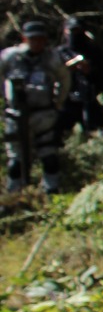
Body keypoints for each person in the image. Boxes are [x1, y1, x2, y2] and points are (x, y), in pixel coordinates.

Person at [3, 20, 73, 192]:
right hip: (15, 114)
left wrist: (58, 101)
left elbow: (65, 79)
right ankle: (14, 193)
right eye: (32, 39)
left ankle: (51, 191)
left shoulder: (52, 57)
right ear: (24, 38)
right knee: (16, 159)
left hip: (44, 114)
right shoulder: (10, 56)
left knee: (49, 155)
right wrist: (6, 94)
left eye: (40, 39)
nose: (37, 42)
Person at [58, 17, 103, 135]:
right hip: (67, 100)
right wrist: (67, 70)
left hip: (91, 98)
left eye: (77, 30)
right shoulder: (60, 53)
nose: (74, 34)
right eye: (71, 30)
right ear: (65, 31)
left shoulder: (93, 51)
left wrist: (89, 71)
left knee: (94, 130)